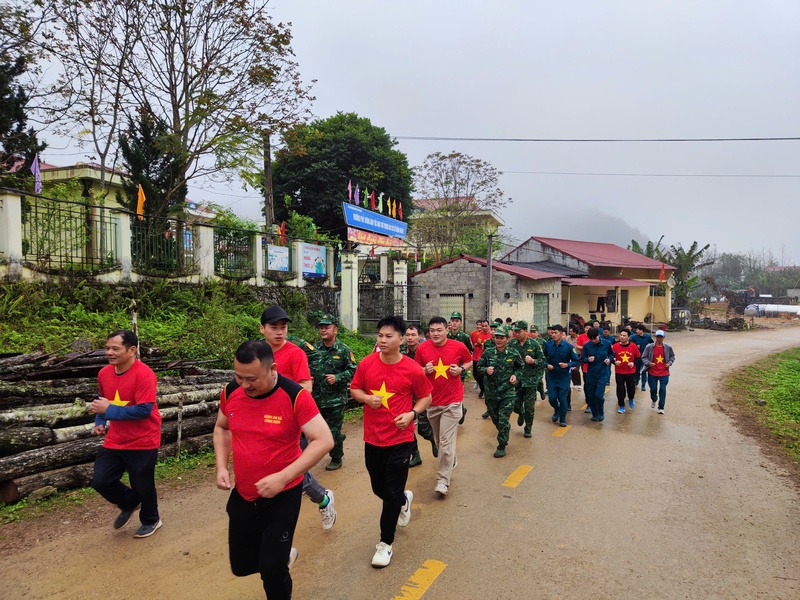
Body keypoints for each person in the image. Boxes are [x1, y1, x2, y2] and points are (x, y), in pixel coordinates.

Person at [214, 340, 334, 600]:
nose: (244, 385)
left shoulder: (294, 395)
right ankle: (280, 555)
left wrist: (283, 477)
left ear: (272, 369)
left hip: (283, 494)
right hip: (244, 494)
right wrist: (221, 466)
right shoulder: (231, 391)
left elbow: (324, 440)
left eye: (252, 379)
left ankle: (277, 561)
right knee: (242, 566)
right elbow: (222, 427)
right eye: (238, 376)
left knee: (272, 570)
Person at [350, 315, 433, 568]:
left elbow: (426, 396)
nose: (383, 340)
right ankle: (403, 500)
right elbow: (354, 389)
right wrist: (366, 399)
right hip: (373, 439)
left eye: (388, 336)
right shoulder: (366, 364)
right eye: (380, 336)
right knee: (379, 489)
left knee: (389, 496)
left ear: (401, 339)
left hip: (401, 439)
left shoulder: (412, 368)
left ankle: (385, 544)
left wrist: (412, 414)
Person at [260, 305, 336, 530]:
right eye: (274, 327)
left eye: (283, 327)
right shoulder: (257, 352)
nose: (279, 332)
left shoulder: (295, 353)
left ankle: (323, 499)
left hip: (291, 422)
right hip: (263, 421)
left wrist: (280, 398)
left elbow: (306, 387)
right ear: (262, 328)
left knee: (293, 471)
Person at [90, 330, 162, 538]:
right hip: (116, 438)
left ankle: (152, 520)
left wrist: (108, 411)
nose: (109, 353)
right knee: (101, 480)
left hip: (143, 439)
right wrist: (100, 420)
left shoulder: (144, 374)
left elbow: (143, 410)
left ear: (132, 350)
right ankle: (130, 503)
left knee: (142, 484)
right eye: (107, 348)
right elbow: (101, 398)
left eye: (115, 348)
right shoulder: (104, 373)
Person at [414, 316, 472, 495]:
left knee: (446, 442)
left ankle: (442, 481)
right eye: (432, 330)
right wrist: (424, 370)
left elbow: (469, 361)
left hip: (453, 401)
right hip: (432, 402)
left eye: (439, 330)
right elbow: (415, 370)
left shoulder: (458, 346)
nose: (435, 334)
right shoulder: (422, 348)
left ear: (447, 330)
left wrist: (461, 369)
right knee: (439, 441)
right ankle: (451, 459)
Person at [311, 314, 357, 471]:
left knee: (332, 430)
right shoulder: (314, 349)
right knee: (318, 431)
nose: (323, 330)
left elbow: (353, 370)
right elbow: (306, 367)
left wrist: (338, 377)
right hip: (317, 399)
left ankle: (336, 457)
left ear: (335, 330)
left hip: (336, 400)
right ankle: (338, 437)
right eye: (321, 327)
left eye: (327, 327)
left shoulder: (343, 350)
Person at [475, 325, 523, 457]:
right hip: (491, 392)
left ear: (507, 339)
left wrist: (515, 376)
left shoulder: (513, 353)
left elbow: (520, 367)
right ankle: (505, 429)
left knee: (502, 419)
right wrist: (485, 370)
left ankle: (501, 445)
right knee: (495, 418)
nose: (499, 340)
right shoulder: (488, 352)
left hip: (507, 392)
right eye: (497, 337)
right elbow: (478, 367)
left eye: (502, 338)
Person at [403, 324, 437, 467]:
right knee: (406, 428)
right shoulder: (401, 352)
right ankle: (415, 455)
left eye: (413, 335)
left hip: (422, 397)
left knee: (423, 428)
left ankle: (434, 440)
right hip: (405, 396)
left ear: (419, 337)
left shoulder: (426, 352)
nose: (410, 338)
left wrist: (424, 370)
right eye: (407, 335)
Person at [508, 321, 545, 438]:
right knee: (514, 404)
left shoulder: (534, 344)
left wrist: (533, 361)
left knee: (529, 407)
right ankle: (521, 412)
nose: (517, 334)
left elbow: (543, 361)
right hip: (516, 380)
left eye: (519, 332)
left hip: (530, 381)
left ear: (525, 331)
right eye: (515, 332)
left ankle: (528, 427)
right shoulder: (511, 344)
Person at [542, 324, 580, 427]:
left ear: (561, 334)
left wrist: (567, 365)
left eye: (555, 333)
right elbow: (542, 358)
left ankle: (562, 418)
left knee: (563, 399)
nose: (553, 335)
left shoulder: (568, 347)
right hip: (552, 377)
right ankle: (557, 409)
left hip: (563, 377)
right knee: (552, 399)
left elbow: (577, 361)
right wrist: (547, 365)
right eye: (552, 333)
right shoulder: (548, 345)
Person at [581, 328, 614, 422]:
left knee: (599, 395)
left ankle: (601, 412)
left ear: (598, 335)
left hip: (603, 373)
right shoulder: (587, 345)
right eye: (591, 339)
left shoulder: (607, 344)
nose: (593, 341)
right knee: (590, 396)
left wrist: (609, 359)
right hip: (591, 374)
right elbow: (582, 358)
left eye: (594, 338)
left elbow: (612, 354)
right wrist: (588, 360)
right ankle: (595, 414)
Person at [447, 312, 473, 424]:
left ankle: (460, 412)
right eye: (452, 320)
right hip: (446, 369)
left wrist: (462, 365)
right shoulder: (446, 335)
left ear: (460, 323)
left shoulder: (465, 337)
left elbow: (470, 351)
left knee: (457, 393)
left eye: (457, 321)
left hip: (459, 371)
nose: (454, 323)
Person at [641, 330, 676, 414]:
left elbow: (672, 356)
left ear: (663, 337)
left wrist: (669, 363)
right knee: (653, 389)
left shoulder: (668, 347)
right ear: (655, 337)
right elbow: (644, 357)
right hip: (652, 372)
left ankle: (661, 407)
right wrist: (649, 363)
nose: (659, 339)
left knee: (663, 389)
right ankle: (654, 399)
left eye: (661, 337)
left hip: (664, 373)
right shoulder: (649, 347)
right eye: (657, 337)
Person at [612, 330, 641, 413]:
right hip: (619, 371)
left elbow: (638, 357)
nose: (622, 337)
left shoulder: (633, 346)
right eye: (621, 335)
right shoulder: (615, 346)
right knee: (620, 389)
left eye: (624, 335)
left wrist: (633, 363)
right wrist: (614, 362)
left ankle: (631, 398)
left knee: (631, 388)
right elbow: (610, 357)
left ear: (628, 337)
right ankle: (621, 405)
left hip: (630, 371)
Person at [470, 319, 492, 399]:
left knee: (485, 375)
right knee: (476, 374)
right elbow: (475, 345)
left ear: (488, 326)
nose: (484, 327)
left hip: (487, 358)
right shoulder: (477, 334)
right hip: (477, 357)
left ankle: (484, 390)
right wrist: (478, 343)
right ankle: (482, 387)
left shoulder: (491, 335)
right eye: (483, 326)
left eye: (486, 326)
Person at [631, 325, 654, 391]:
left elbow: (652, 344)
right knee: (636, 370)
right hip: (637, 357)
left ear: (642, 331)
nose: (636, 331)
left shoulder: (648, 337)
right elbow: (630, 344)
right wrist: (635, 346)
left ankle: (643, 384)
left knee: (644, 371)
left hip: (645, 357)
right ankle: (636, 380)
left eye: (638, 330)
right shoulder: (634, 337)